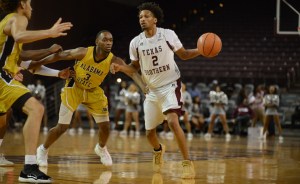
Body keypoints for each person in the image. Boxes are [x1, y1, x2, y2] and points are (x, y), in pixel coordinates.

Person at [110, 2, 201, 178]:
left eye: (146, 16)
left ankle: (187, 163)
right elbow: (134, 67)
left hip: (170, 85)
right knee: (149, 133)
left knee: (173, 122)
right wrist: (121, 68)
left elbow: (184, 55)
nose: (142, 19)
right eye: (140, 17)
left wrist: (200, 50)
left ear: (155, 19)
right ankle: (158, 150)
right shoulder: (135, 42)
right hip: (151, 91)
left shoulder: (168, 34)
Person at [36, 30, 145, 168]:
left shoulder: (113, 60)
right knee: (62, 127)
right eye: (105, 40)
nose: (108, 43)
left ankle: (101, 148)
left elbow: (132, 72)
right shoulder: (83, 52)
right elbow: (59, 56)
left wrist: (144, 88)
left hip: (93, 90)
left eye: (110, 40)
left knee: (106, 127)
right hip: (74, 87)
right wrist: (37, 63)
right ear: (97, 42)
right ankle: (43, 149)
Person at [0, 0, 72, 182]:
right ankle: (29, 167)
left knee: (4, 119)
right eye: (29, 3)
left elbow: (28, 64)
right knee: (36, 109)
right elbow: (20, 36)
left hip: (4, 75)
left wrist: (57, 72)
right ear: (22, 4)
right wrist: (49, 32)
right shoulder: (18, 18)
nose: (31, 7)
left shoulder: (8, 35)